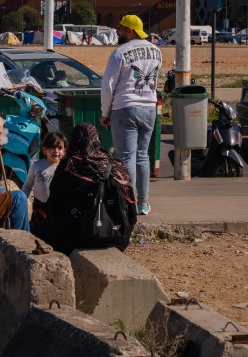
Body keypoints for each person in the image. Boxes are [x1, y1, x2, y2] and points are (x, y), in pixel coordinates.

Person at [31, 123, 137, 253]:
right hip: (118, 238)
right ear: (97, 140)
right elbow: (132, 211)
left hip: (77, 239)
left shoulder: (69, 166)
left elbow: (53, 205)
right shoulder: (117, 166)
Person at [100, 14, 162, 216]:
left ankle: (129, 202)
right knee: (143, 156)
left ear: (130, 31)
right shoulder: (156, 51)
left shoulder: (120, 53)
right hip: (149, 107)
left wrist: (104, 112)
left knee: (126, 158)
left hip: (125, 107)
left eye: (120, 28)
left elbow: (108, 86)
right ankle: (144, 202)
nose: (117, 31)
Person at [22, 132, 67, 205]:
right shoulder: (37, 165)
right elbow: (28, 185)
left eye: (60, 148)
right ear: (44, 150)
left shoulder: (65, 168)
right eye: (52, 147)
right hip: (39, 208)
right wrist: (22, 200)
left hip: (58, 209)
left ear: (64, 151)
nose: (56, 151)